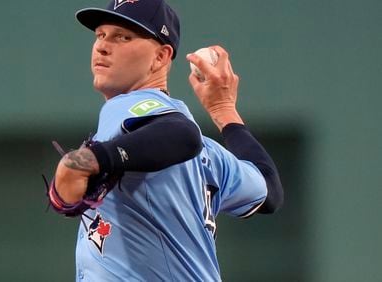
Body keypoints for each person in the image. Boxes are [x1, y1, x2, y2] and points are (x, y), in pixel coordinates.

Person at [48, 0, 284, 280]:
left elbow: (182, 134)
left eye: (123, 36)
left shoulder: (129, 107)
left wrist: (95, 159)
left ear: (160, 57)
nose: (102, 46)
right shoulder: (210, 155)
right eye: (101, 34)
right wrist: (225, 112)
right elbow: (269, 191)